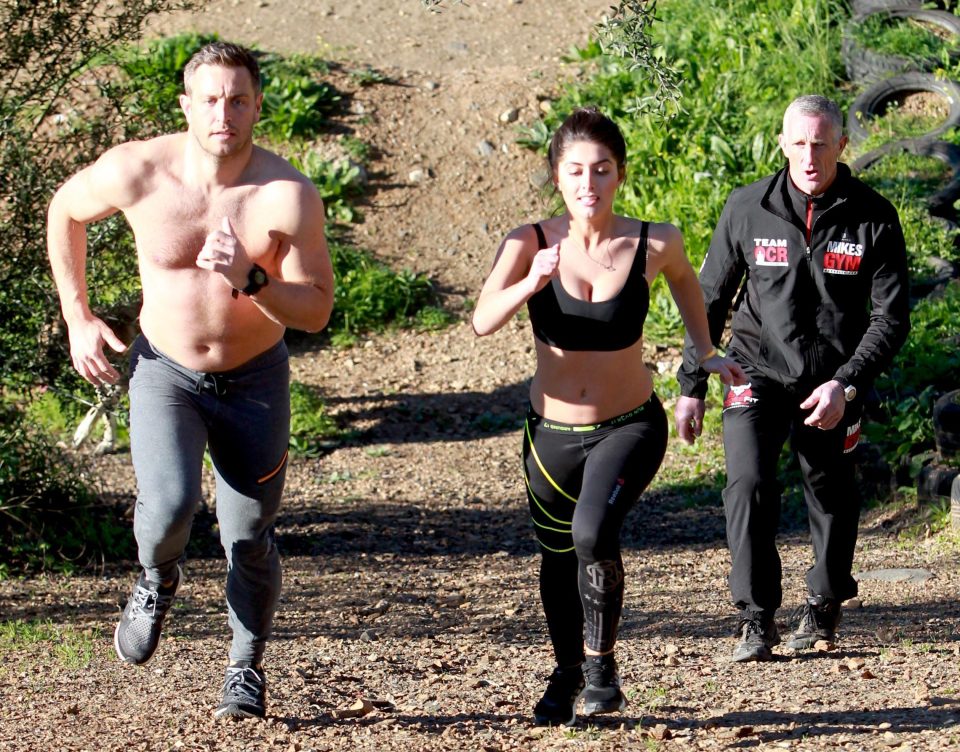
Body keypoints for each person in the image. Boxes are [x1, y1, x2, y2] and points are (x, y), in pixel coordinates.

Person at [46, 41, 334, 718]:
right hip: (166, 372)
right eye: (209, 98)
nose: (223, 113)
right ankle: (156, 577)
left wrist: (253, 279)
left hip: (255, 380)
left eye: (238, 99)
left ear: (258, 105)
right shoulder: (141, 170)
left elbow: (316, 308)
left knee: (248, 536)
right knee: (170, 507)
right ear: (186, 105)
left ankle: (245, 665)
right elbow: (66, 209)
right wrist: (77, 315)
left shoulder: (286, 195)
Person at [472, 107, 745, 726]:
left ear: (619, 174)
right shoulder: (529, 243)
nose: (587, 184)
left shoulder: (655, 240)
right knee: (557, 556)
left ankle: (601, 671)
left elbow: (689, 291)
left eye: (601, 170)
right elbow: (482, 320)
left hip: (629, 424)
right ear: (556, 177)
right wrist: (529, 283)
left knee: (591, 533)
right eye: (574, 172)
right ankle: (567, 669)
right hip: (550, 436)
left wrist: (704, 356)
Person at [675, 94, 910, 663]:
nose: (809, 156)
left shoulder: (873, 216)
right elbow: (708, 301)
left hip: (833, 380)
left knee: (830, 491)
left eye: (821, 144)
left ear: (842, 146)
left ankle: (824, 605)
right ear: (782, 143)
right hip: (754, 369)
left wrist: (847, 383)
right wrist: (690, 384)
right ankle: (757, 618)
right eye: (799, 143)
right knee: (748, 483)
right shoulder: (746, 207)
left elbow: (891, 319)